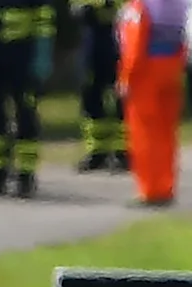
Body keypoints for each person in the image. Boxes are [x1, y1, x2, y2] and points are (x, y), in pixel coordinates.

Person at [0, 0, 51, 197]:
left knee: (25, 112)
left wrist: (42, 57)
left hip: (21, 52)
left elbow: (45, 19)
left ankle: (26, 175)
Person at [118, 0, 189, 207]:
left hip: (146, 72)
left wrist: (126, 77)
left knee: (144, 132)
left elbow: (134, 43)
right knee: (166, 132)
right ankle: (166, 186)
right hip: (172, 68)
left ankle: (149, 190)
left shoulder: (140, 6)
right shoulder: (179, 4)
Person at [73, 1, 126, 171]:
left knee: (123, 96)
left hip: (120, 37)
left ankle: (124, 152)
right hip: (93, 38)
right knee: (90, 96)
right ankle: (97, 152)